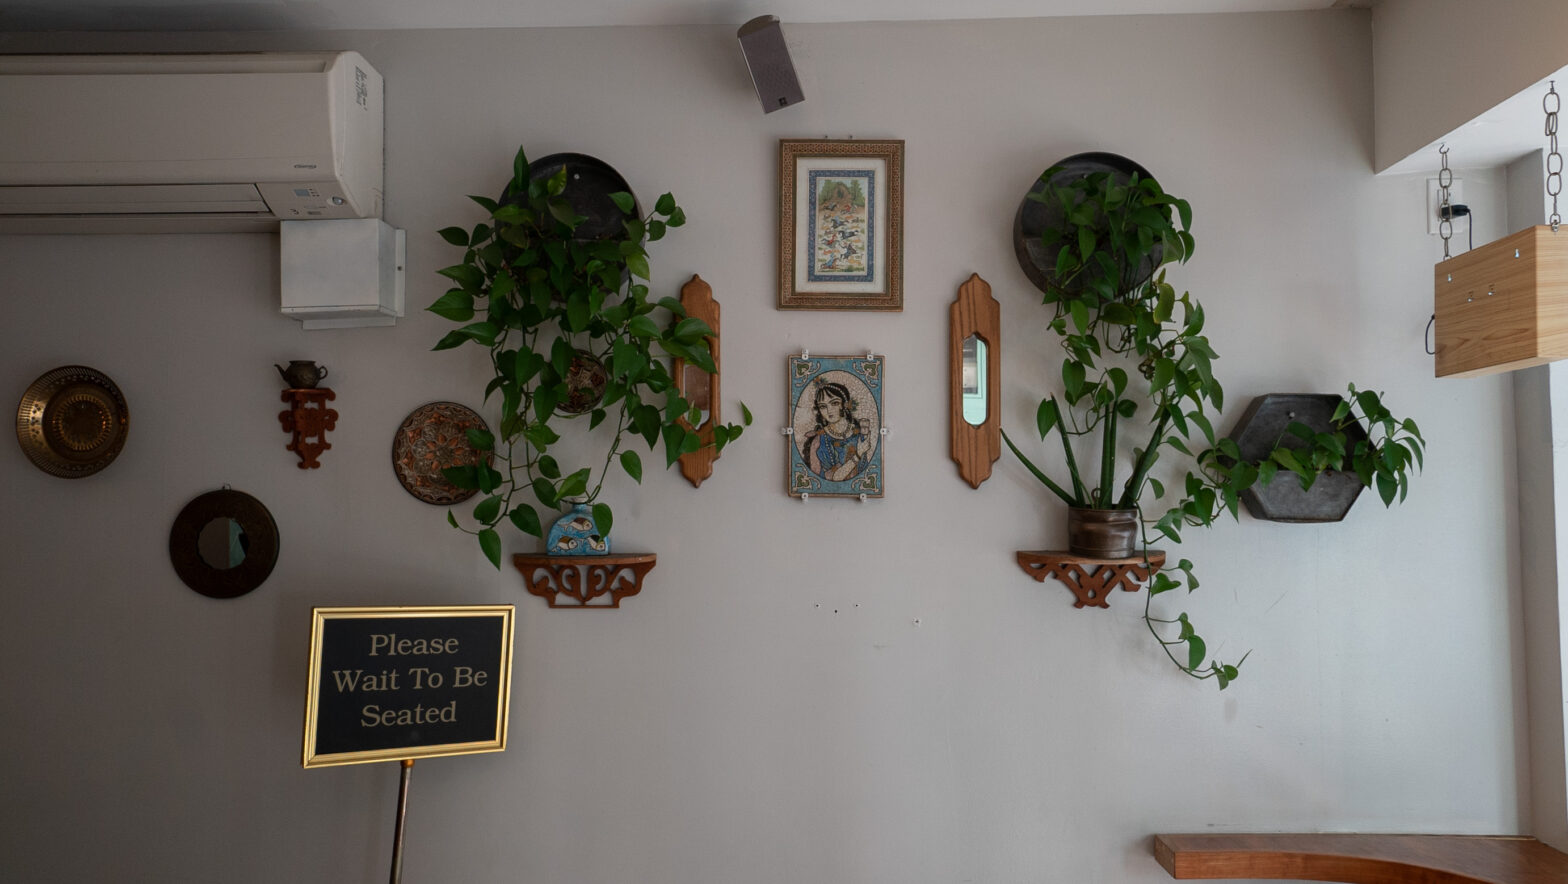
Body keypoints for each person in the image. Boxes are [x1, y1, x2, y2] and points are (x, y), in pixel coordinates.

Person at [800, 380, 872, 482]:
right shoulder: (818, 441)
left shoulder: (859, 433)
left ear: (845, 404)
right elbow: (817, 481)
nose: (829, 410)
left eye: (834, 403)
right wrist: (858, 454)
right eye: (823, 406)